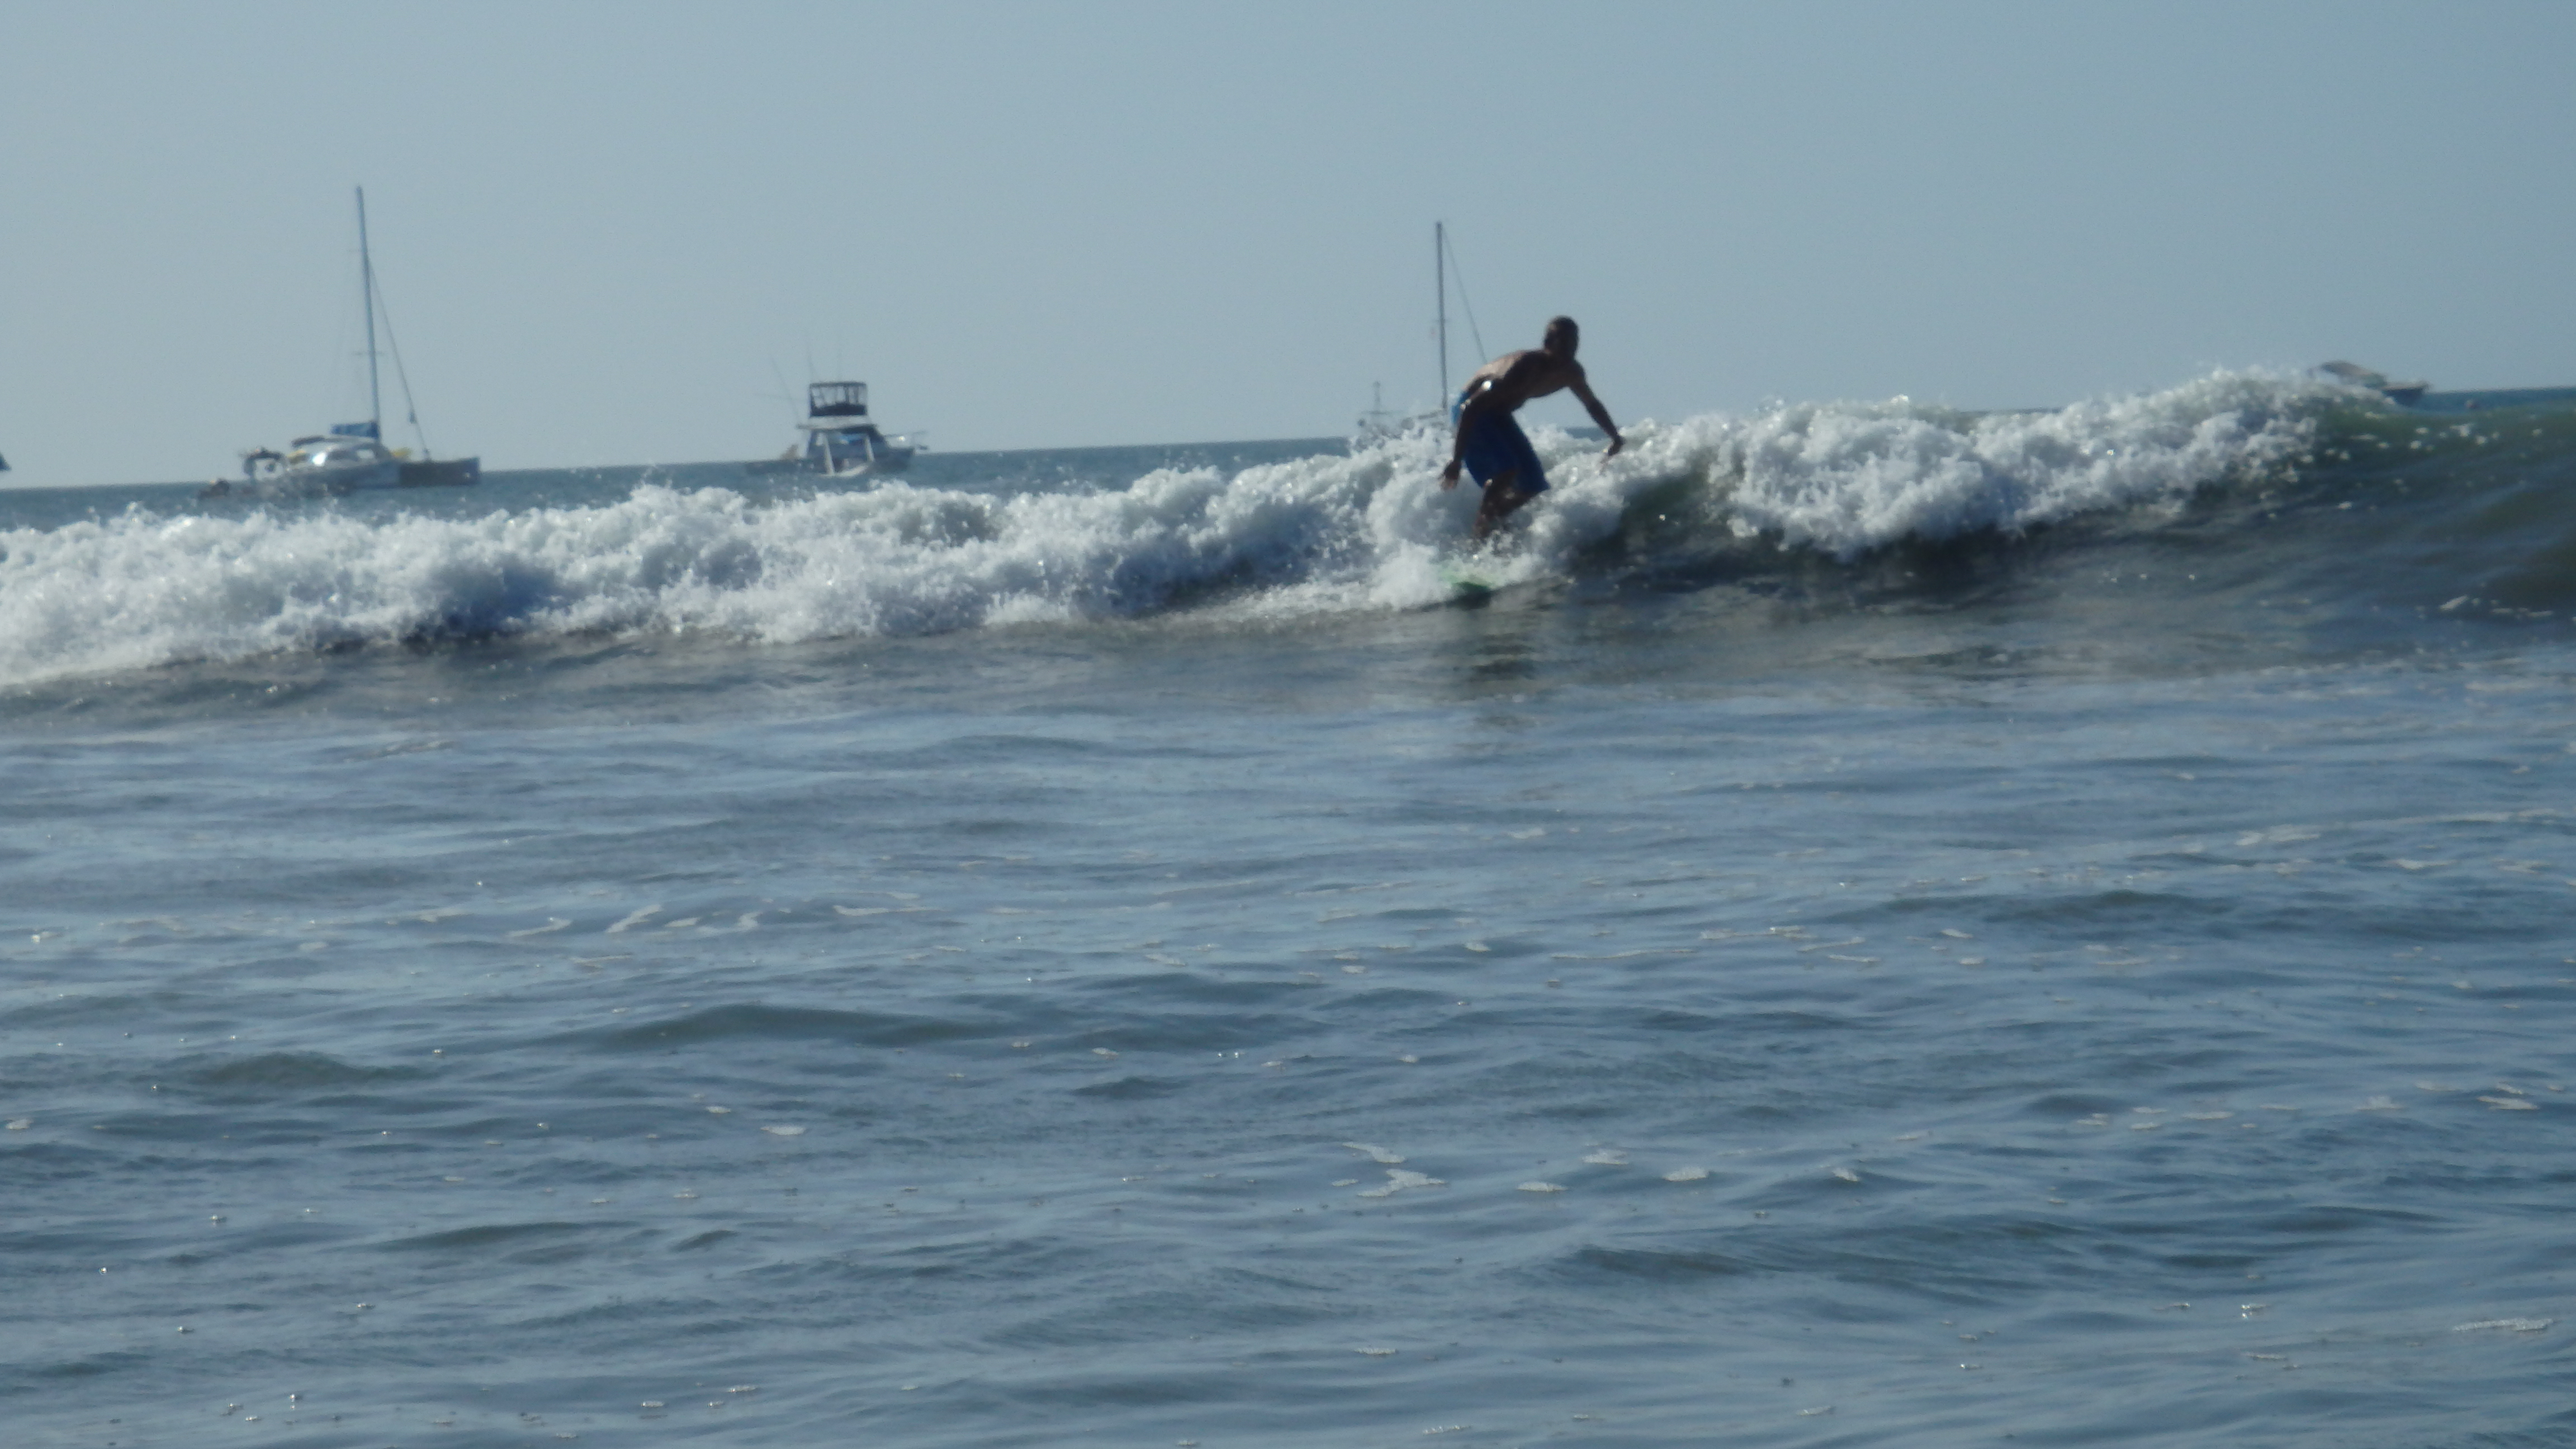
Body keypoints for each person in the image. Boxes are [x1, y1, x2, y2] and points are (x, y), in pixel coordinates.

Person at [1439, 315, 1623, 541]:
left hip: (1499, 414)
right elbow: (1471, 406)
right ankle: (1479, 535)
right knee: (1507, 469)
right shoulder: (1524, 367)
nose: (1570, 348)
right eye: (1564, 342)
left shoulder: (1572, 373)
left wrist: (1614, 436)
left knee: (1534, 484)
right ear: (1548, 343)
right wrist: (1456, 460)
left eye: (1574, 342)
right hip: (1472, 409)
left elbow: (1592, 404)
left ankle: (1492, 520)